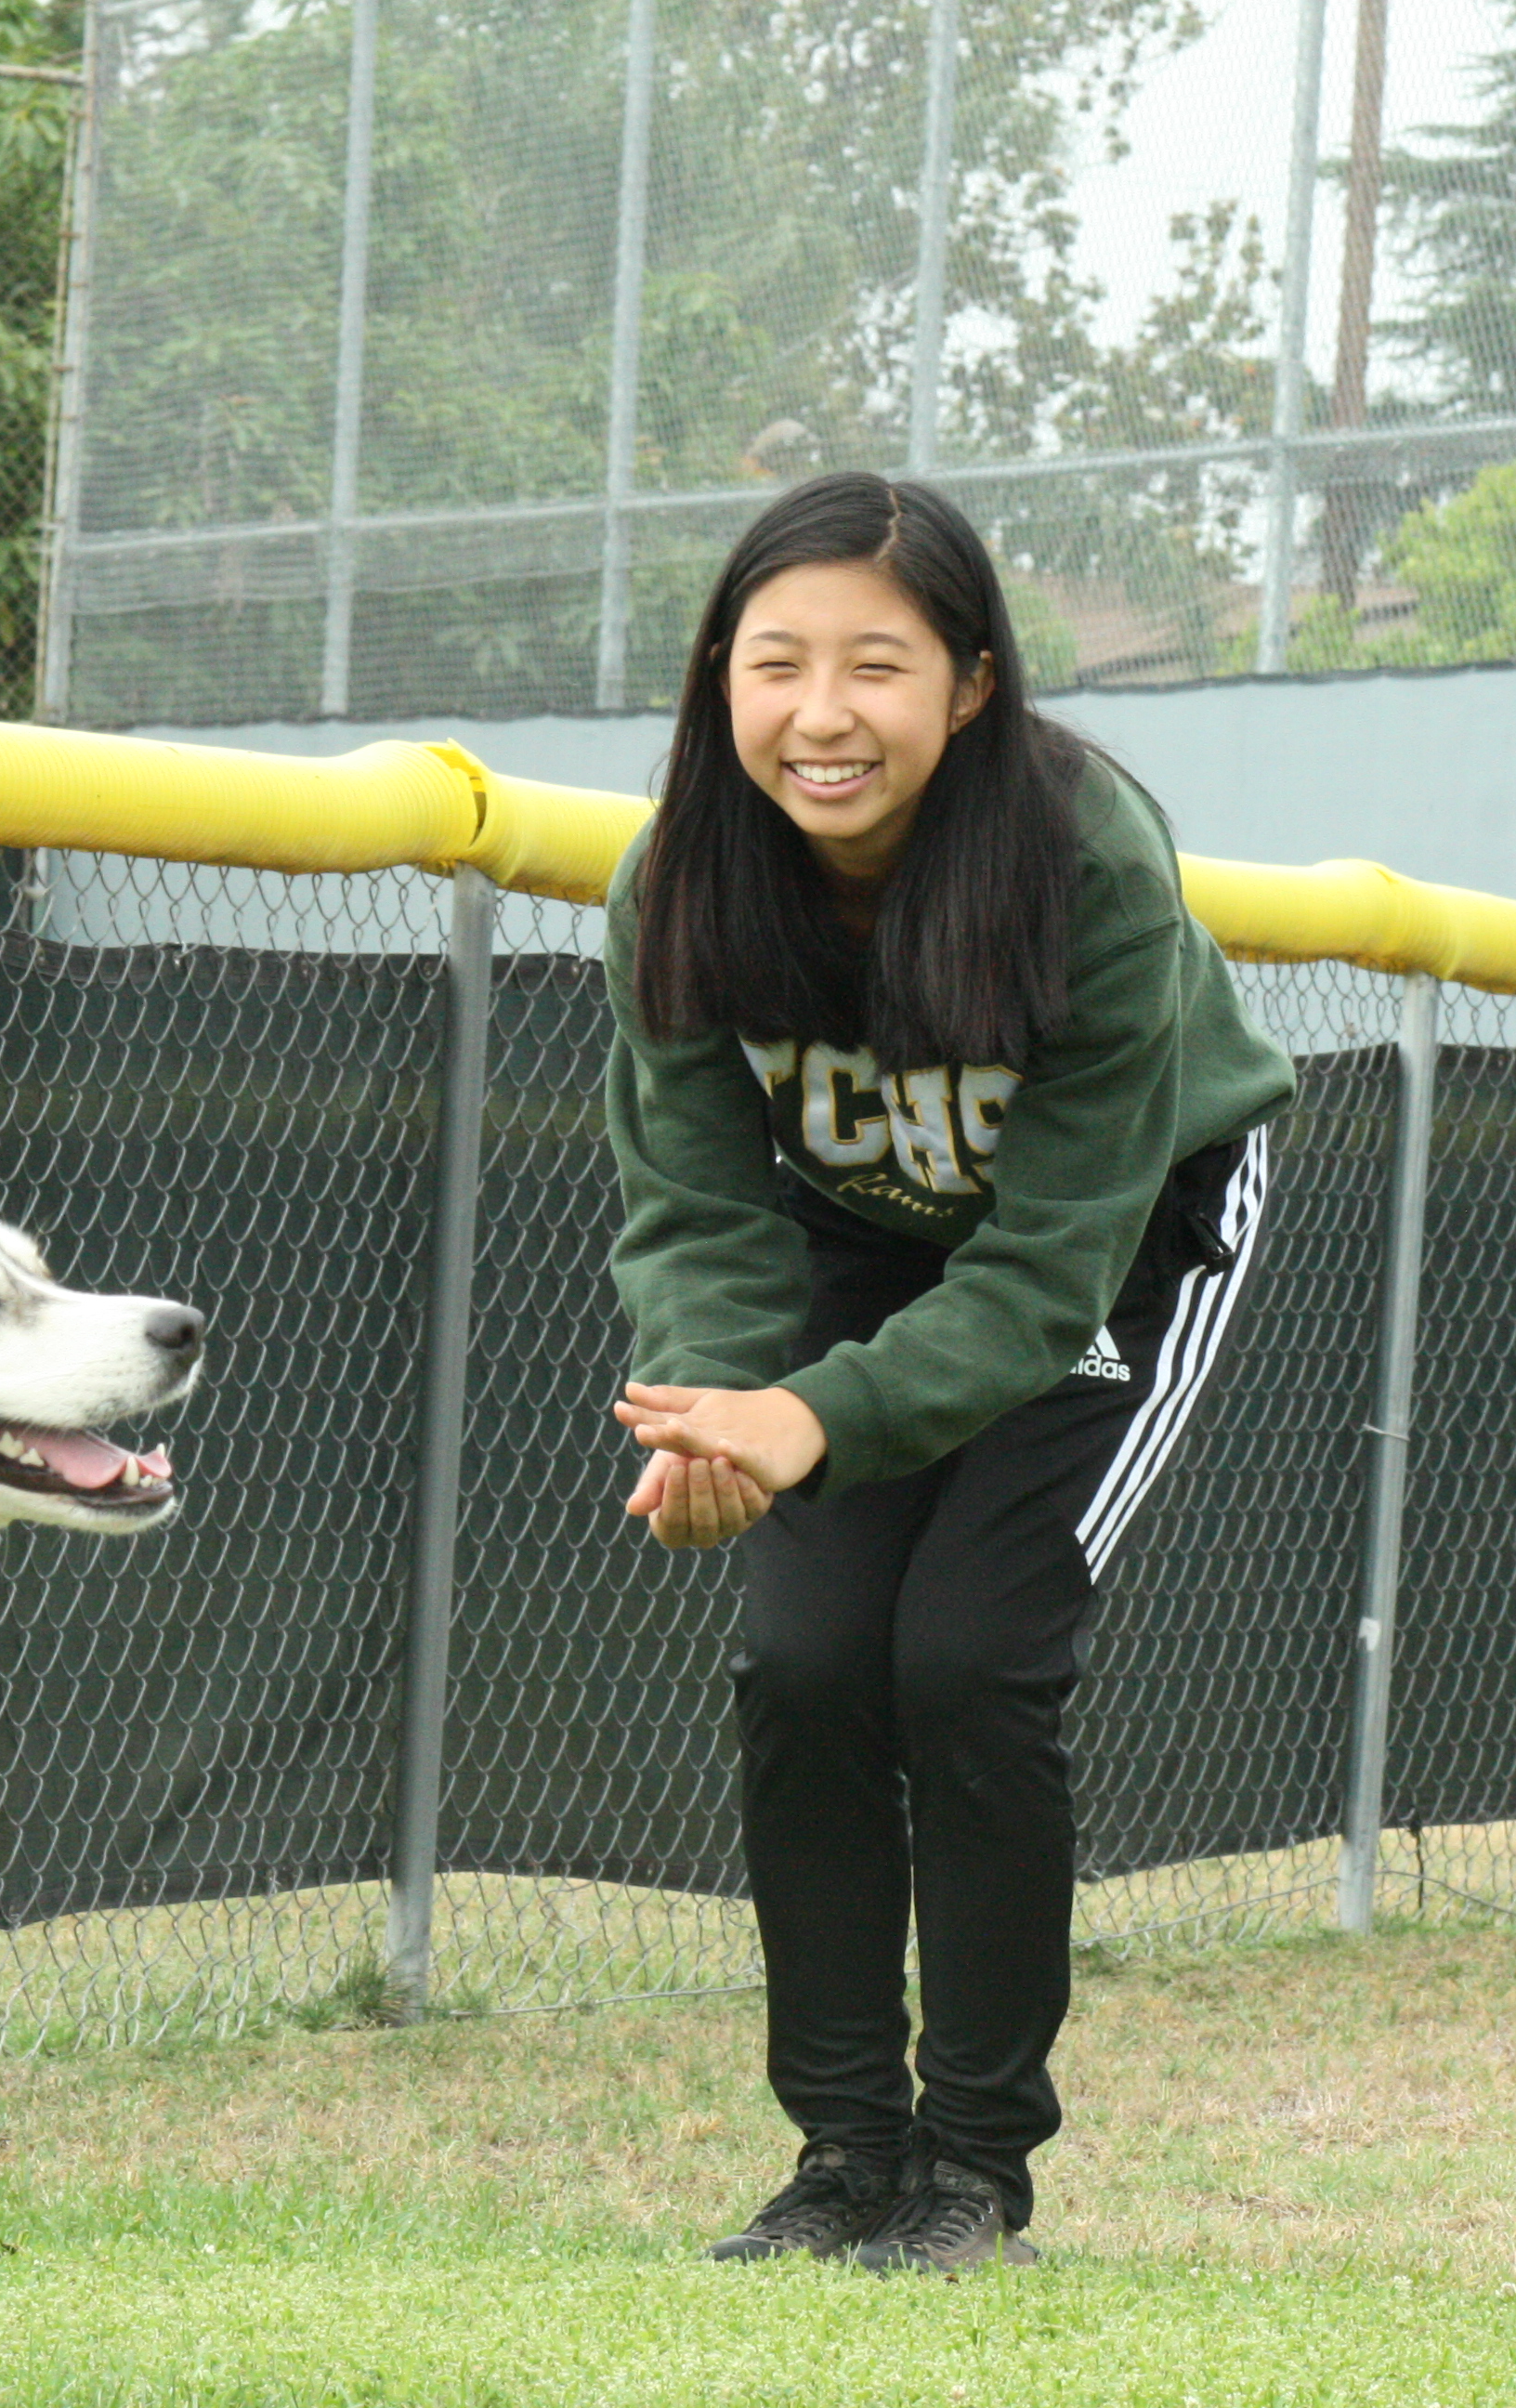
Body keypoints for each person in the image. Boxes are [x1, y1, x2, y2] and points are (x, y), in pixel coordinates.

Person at [603, 470, 1294, 2273]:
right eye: (776, 664)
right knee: (809, 1660)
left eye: (877, 666)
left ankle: (975, 2171)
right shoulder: (680, 874)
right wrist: (711, 1411)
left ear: (971, 683)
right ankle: (846, 2156)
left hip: (1123, 1240)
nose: (821, 714)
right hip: (865, 1244)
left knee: (971, 1662)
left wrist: (806, 1415)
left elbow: (1047, 1264)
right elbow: (695, 1202)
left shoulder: (1085, 860)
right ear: (718, 676)